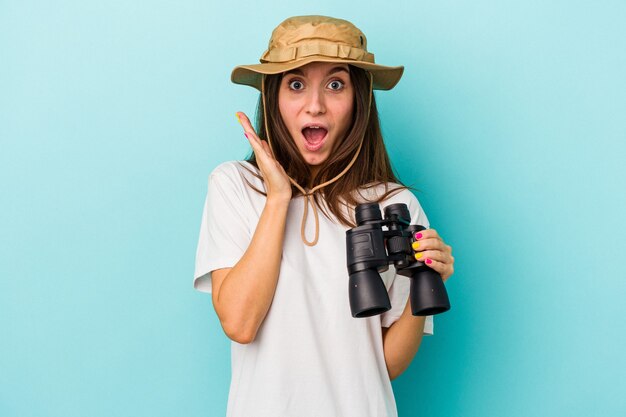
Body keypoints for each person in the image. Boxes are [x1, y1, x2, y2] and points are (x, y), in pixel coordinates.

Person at [194, 15, 455, 417]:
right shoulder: (236, 186)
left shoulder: (391, 203)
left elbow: (383, 366)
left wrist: (426, 281)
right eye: (295, 84)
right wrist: (278, 197)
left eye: (336, 85)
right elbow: (240, 324)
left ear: (359, 101)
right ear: (272, 97)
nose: (315, 105)